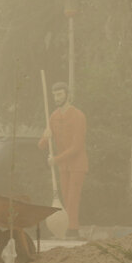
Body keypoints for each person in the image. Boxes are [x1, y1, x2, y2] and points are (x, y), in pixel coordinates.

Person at [38, 81, 88, 239]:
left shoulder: (78, 116)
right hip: (63, 166)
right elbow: (41, 145)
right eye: (54, 95)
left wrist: (56, 159)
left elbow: (77, 147)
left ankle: (73, 230)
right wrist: (45, 138)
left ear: (68, 95)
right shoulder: (53, 116)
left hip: (77, 164)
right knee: (66, 197)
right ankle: (68, 229)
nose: (56, 97)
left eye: (59, 94)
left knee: (72, 198)